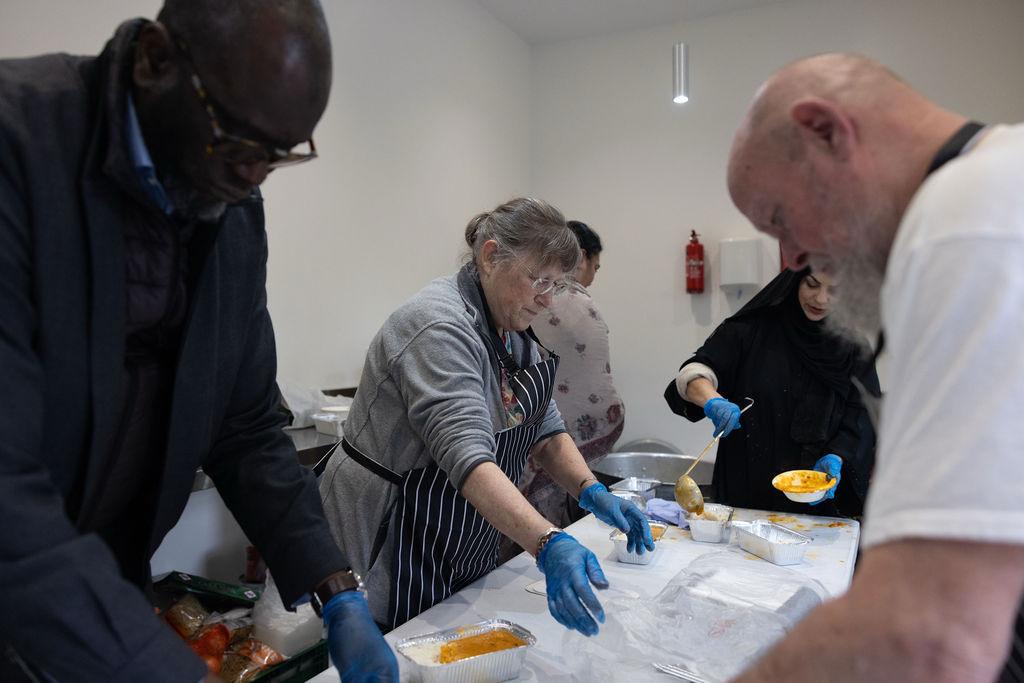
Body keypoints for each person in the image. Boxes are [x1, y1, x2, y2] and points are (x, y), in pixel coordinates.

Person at [0, 2, 397, 681]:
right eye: (240, 143)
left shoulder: (232, 208)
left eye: (279, 155)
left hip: (104, 581)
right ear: (156, 60)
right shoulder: (18, 142)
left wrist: (336, 585)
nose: (255, 176)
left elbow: (245, 425)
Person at [725, 53, 1024, 681]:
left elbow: (928, 633)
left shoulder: (964, 224)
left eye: (781, 218)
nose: (795, 257)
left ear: (827, 131)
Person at [319, 197, 653, 635]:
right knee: (402, 647)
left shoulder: (509, 326)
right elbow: (468, 458)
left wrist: (591, 491)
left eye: (557, 285)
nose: (547, 301)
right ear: (491, 256)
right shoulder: (438, 327)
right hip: (394, 533)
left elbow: (545, 429)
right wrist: (547, 541)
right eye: (539, 280)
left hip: (453, 526)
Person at [663, 268, 878, 516]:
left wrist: (839, 456)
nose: (821, 299)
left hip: (817, 499)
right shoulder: (753, 329)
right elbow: (695, 372)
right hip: (746, 492)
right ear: (796, 281)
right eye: (812, 284)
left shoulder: (853, 348)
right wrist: (713, 401)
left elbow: (862, 416)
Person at [518, 220, 625, 532]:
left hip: (536, 435)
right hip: (538, 438)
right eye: (596, 266)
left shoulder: (539, 301)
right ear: (581, 257)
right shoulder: (572, 303)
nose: (593, 276)